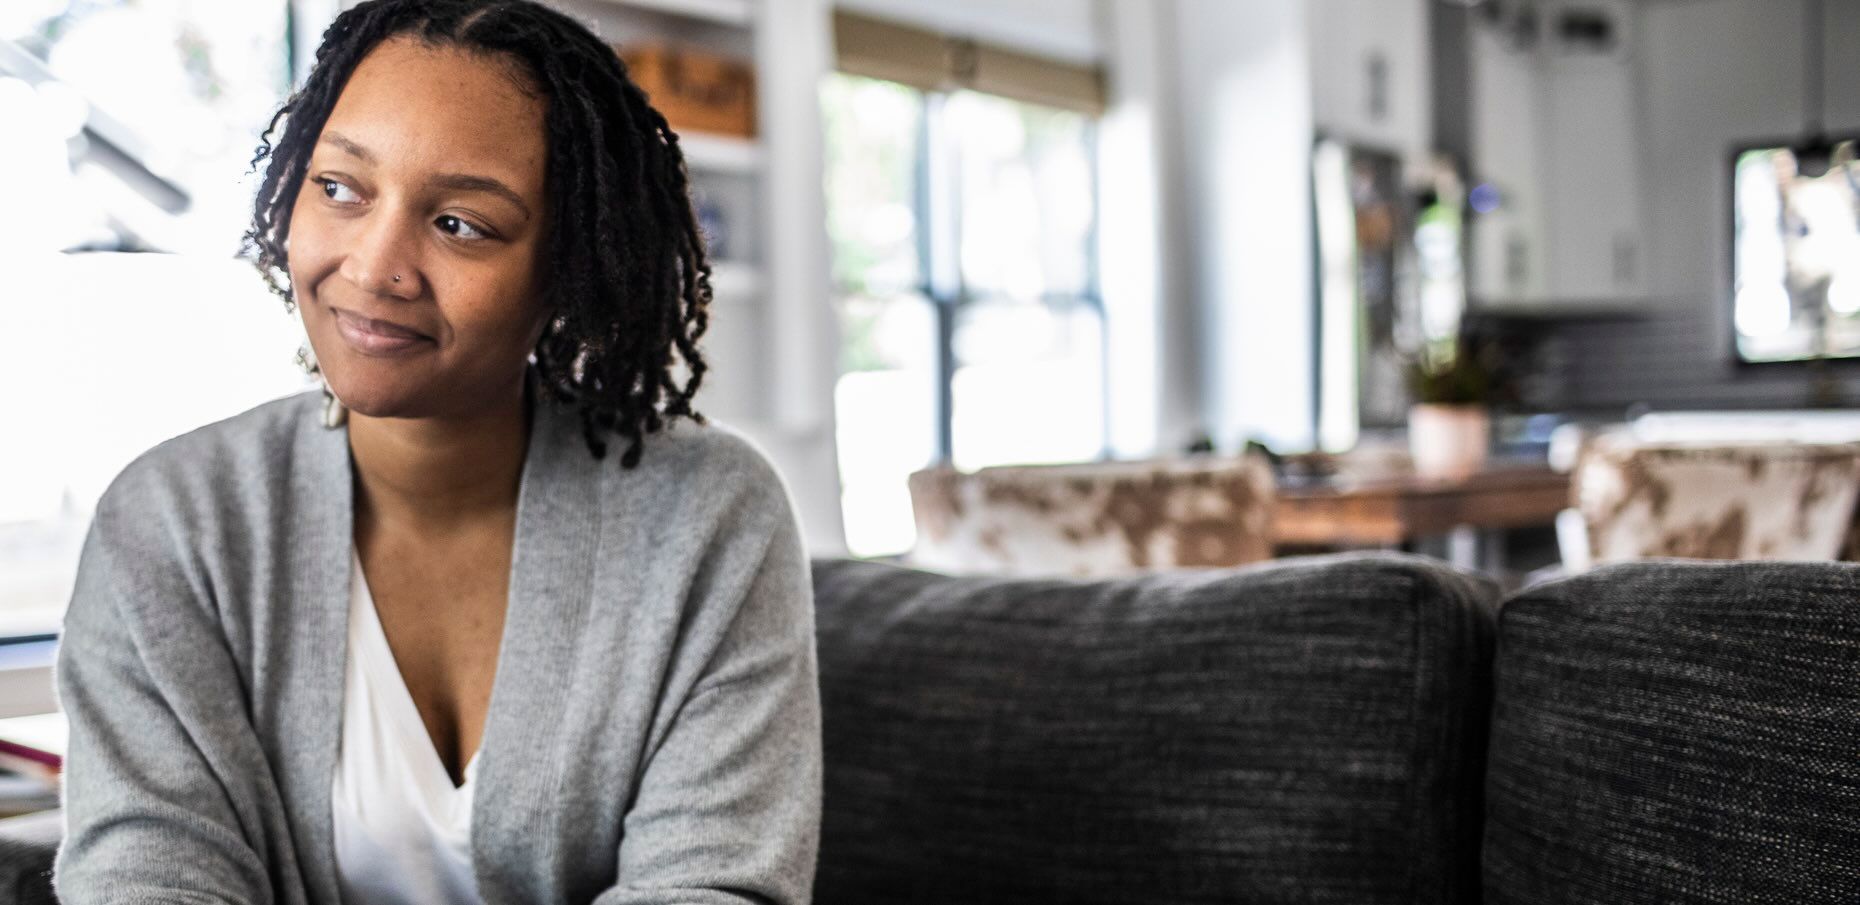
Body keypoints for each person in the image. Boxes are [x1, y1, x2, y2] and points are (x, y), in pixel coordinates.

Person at [52, 1, 821, 902]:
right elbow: (145, 875)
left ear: (569, 270)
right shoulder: (170, 524)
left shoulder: (708, 519)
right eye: (340, 187)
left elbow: (716, 885)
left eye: (461, 223)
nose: (376, 267)